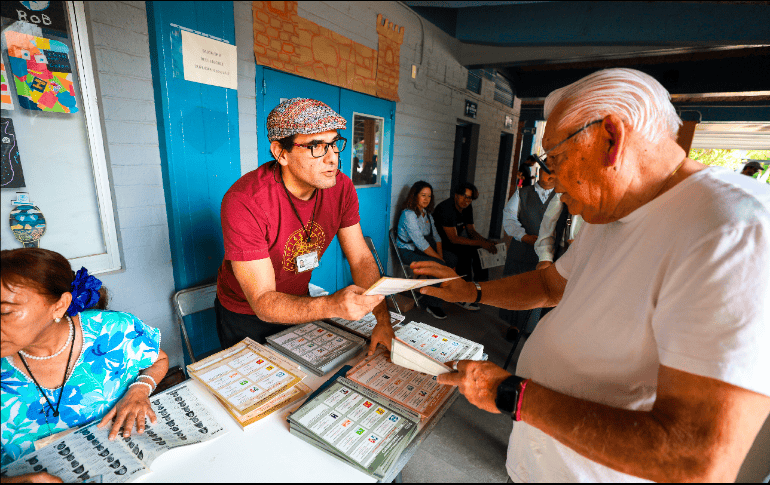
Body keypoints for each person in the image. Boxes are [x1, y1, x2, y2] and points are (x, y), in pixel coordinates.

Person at [413, 68, 770, 482]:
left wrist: (513, 395)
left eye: (555, 159)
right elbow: (551, 285)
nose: (552, 180)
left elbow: (695, 457)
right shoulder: (610, 208)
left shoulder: (736, 229)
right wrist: (471, 291)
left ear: (611, 139)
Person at [216, 98, 390, 354]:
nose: (332, 159)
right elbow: (263, 301)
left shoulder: (341, 187)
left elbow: (361, 257)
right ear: (281, 153)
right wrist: (332, 305)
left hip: (299, 301)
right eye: (316, 147)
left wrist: (382, 320)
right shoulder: (245, 201)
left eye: (334, 144)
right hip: (245, 314)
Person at [1, 248, 169, 481]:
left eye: (5, 311)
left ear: (59, 305)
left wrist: (139, 390)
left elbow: (159, 359)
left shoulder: (114, 330)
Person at [499, 167, 557, 330]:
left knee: (538, 292)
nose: (549, 174)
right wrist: (524, 236)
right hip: (521, 250)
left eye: (554, 171)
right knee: (516, 288)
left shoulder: (561, 196)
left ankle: (532, 329)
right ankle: (513, 326)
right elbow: (509, 218)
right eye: (546, 170)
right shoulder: (522, 193)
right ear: (538, 172)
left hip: (547, 256)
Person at [395, 181, 458, 320]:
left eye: (429, 196)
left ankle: (443, 292)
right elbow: (420, 242)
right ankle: (431, 303)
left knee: (452, 259)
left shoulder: (427, 214)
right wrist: (439, 260)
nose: (426, 199)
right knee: (438, 265)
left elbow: (437, 237)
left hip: (422, 250)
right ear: (415, 196)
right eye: (423, 195)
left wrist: (441, 256)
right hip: (408, 252)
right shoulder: (408, 214)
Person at [433, 182, 497, 303]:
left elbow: (471, 231)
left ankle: (482, 287)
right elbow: (453, 239)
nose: (466, 200)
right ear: (456, 195)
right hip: (441, 244)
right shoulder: (446, 208)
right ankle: (463, 294)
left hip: (455, 242)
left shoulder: (467, 207)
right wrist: (481, 243)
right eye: (464, 196)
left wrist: (485, 242)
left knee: (480, 251)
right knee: (465, 254)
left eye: (470, 198)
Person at [533, 194, 584, 271]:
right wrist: (545, 257)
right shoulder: (563, 192)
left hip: (594, 257)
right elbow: (548, 224)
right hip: (563, 252)